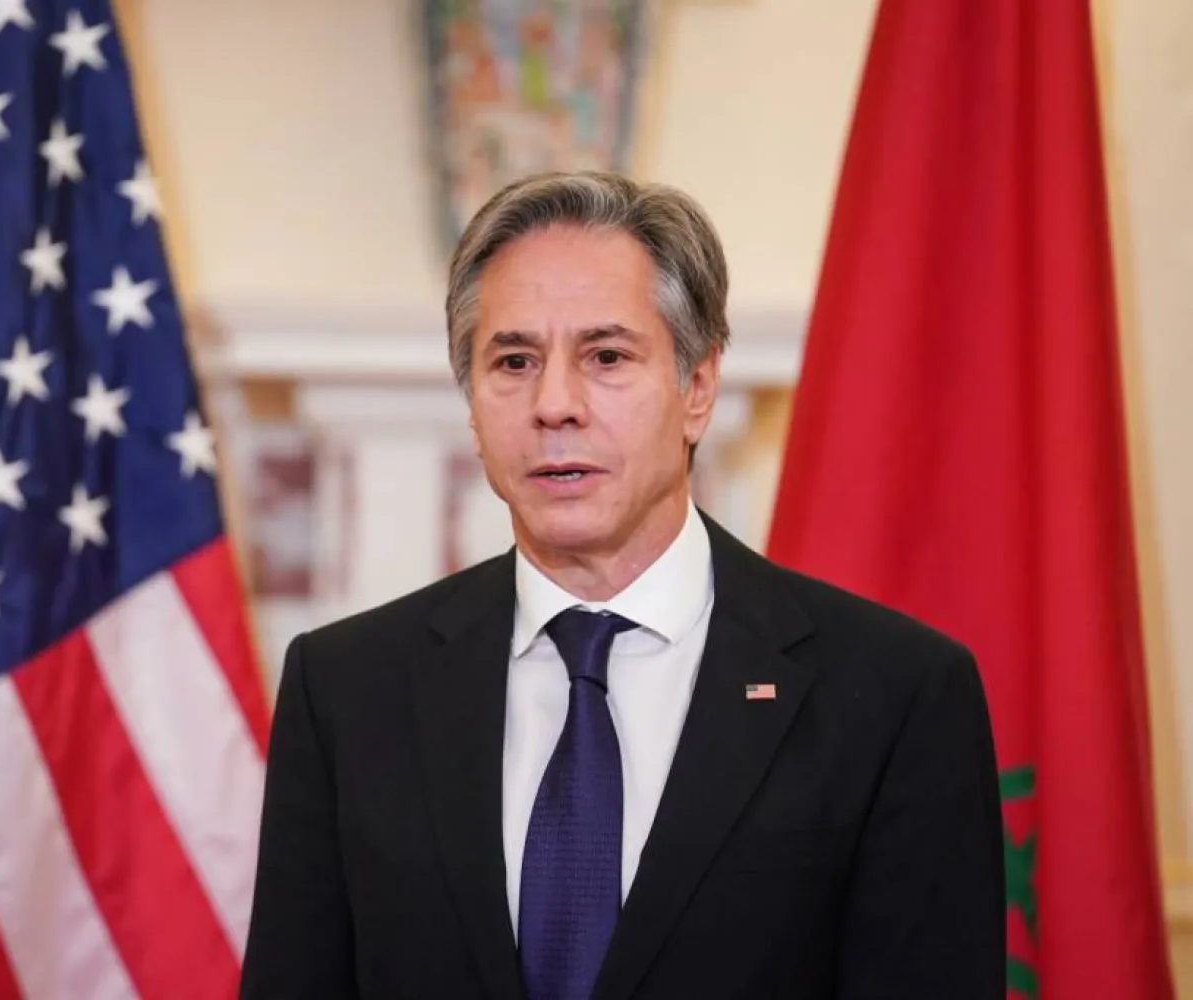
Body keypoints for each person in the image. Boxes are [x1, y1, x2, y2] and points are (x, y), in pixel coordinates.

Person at [239, 171, 1005, 1000]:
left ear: (698, 389)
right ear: (471, 399)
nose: (554, 404)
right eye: (514, 361)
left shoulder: (896, 696)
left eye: (606, 357)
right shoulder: (347, 690)